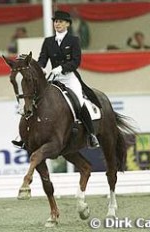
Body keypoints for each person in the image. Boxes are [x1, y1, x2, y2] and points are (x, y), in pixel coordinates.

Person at [12, 10, 100, 149]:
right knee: (35, 100)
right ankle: (23, 136)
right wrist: (41, 68)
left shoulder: (73, 40)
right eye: (56, 21)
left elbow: (76, 61)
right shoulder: (48, 41)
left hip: (69, 77)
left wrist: (62, 68)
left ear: (67, 24)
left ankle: (91, 134)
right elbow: (42, 58)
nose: (57, 24)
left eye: (60, 22)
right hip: (53, 77)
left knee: (79, 101)